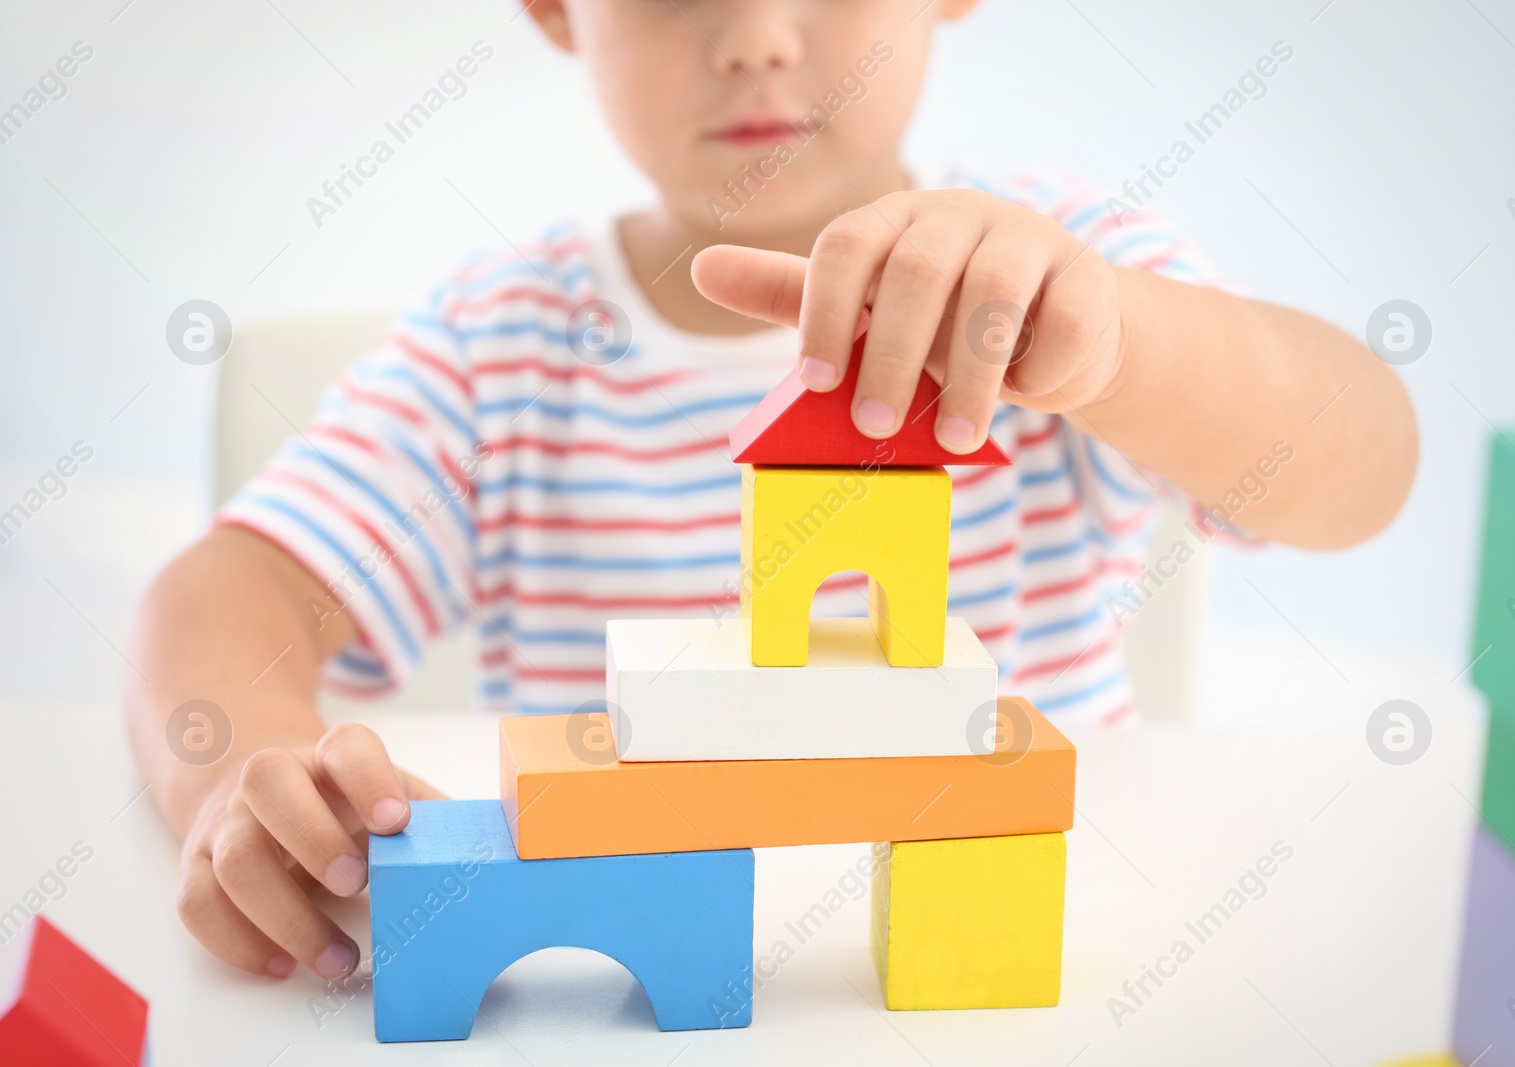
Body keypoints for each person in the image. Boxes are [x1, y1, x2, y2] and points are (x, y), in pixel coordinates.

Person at [124, 0, 1417, 983]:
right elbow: (233, 588)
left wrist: (1119, 345)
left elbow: (1358, 464)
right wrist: (236, 773)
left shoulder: (1063, 278)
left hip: (1033, 987)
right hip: (623, 995)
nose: (749, 36)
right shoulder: (502, 342)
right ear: (555, 13)